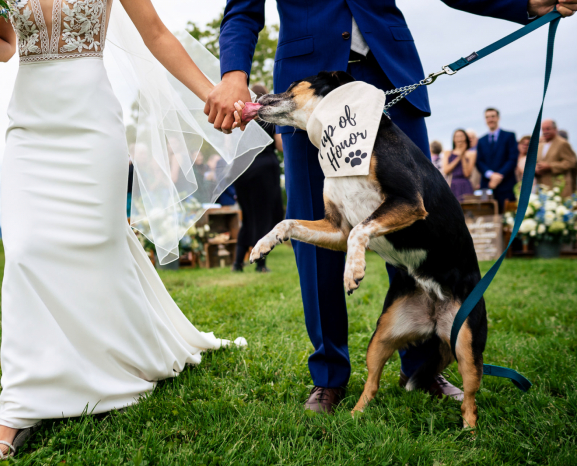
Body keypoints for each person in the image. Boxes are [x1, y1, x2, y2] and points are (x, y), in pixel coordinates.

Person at [208, 0, 575, 415]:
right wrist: (233, 74)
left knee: (416, 221)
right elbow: (242, 9)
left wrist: (525, 2)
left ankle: (422, 366)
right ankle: (328, 376)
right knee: (318, 234)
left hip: (390, 75)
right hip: (311, 89)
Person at [0, 0, 257, 461]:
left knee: (102, 246)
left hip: (92, 125)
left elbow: (156, 35)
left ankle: (117, 359)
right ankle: (16, 410)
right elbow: (5, 46)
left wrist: (213, 92)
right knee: (25, 252)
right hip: (30, 128)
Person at [232, 84, 284, 273]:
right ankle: (260, 264)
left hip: (241, 170)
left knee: (247, 217)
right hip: (264, 170)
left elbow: (228, 144)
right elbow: (280, 146)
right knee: (264, 217)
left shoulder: (239, 116)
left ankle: (238, 263)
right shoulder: (269, 116)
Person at [476, 108, 519, 213]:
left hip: (507, 185)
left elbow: (512, 158)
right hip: (487, 186)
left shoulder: (509, 136)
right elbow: (479, 161)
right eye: (487, 117)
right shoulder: (481, 140)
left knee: (509, 218)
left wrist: (499, 176)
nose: (490, 119)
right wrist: (491, 175)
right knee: (488, 218)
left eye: (493, 116)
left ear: (498, 118)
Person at [536, 119, 577, 197]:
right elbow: (537, 162)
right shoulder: (541, 145)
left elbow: (571, 162)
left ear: (555, 129)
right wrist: (536, 169)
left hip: (560, 188)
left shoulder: (562, 143)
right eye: (543, 129)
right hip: (543, 188)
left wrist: (550, 166)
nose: (545, 131)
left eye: (548, 129)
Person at [442, 129, 476, 201]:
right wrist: (459, 156)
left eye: (461, 136)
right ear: (454, 139)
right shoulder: (447, 153)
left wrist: (463, 155)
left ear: (465, 138)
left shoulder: (471, 154)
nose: (459, 139)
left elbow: (467, 174)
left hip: (465, 185)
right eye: (457, 137)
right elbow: (446, 170)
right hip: (452, 184)